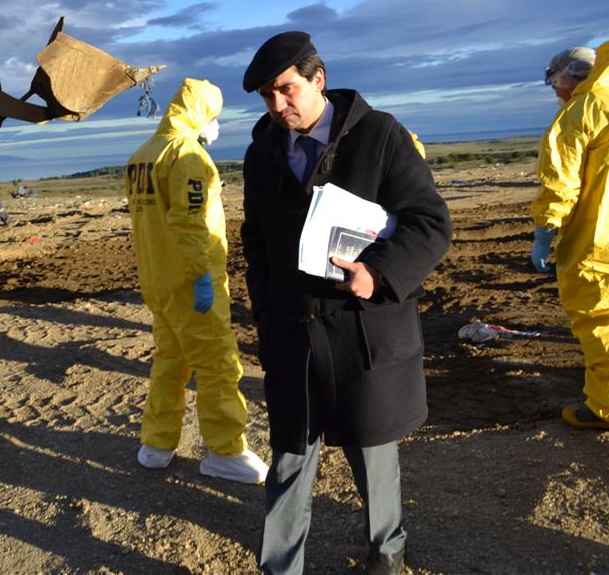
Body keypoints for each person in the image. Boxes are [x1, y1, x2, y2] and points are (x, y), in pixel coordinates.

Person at [240, 32, 451, 575]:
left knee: (373, 450)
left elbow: (431, 222)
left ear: (318, 79)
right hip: (292, 329)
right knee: (290, 452)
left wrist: (379, 273)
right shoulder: (261, 151)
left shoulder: (379, 136)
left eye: (286, 90)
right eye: (267, 95)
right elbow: (256, 245)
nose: (277, 105)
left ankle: (387, 550)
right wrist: (264, 314)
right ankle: (280, 565)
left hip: (362, 330)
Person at [126, 77, 269, 485]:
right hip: (191, 284)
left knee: (170, 362)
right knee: (218, 364)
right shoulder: (187, 156)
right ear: (201, 112)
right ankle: (225, 450)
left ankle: (157, 444)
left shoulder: (142, 155)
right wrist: (201, 277)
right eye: (214, 115)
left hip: (157, 281)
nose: (215, 124)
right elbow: (191, 226)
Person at [531, 40, 609, 435]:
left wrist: (544, 231)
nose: (555, 88)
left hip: (598, 236)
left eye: (556, 80)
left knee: (603, 320)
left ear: (571, 76)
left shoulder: (581, 112)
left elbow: (559, 182)